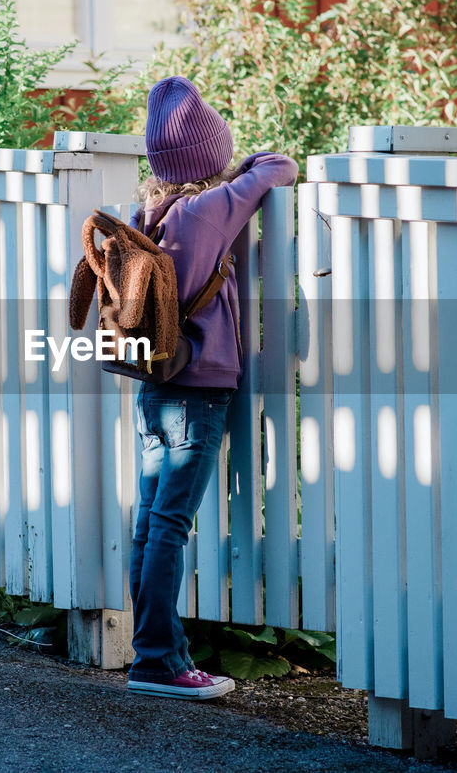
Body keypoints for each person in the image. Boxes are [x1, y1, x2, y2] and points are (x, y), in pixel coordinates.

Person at [124, 75, 298, 700]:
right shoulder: (208, 210)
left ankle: (154, 653)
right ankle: (159, 663)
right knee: (170, 523)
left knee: (152, 521)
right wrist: (243, 168)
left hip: (158, 386)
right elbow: (282, 167)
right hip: (198, 394)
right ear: (208, 157)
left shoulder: (155, 212)